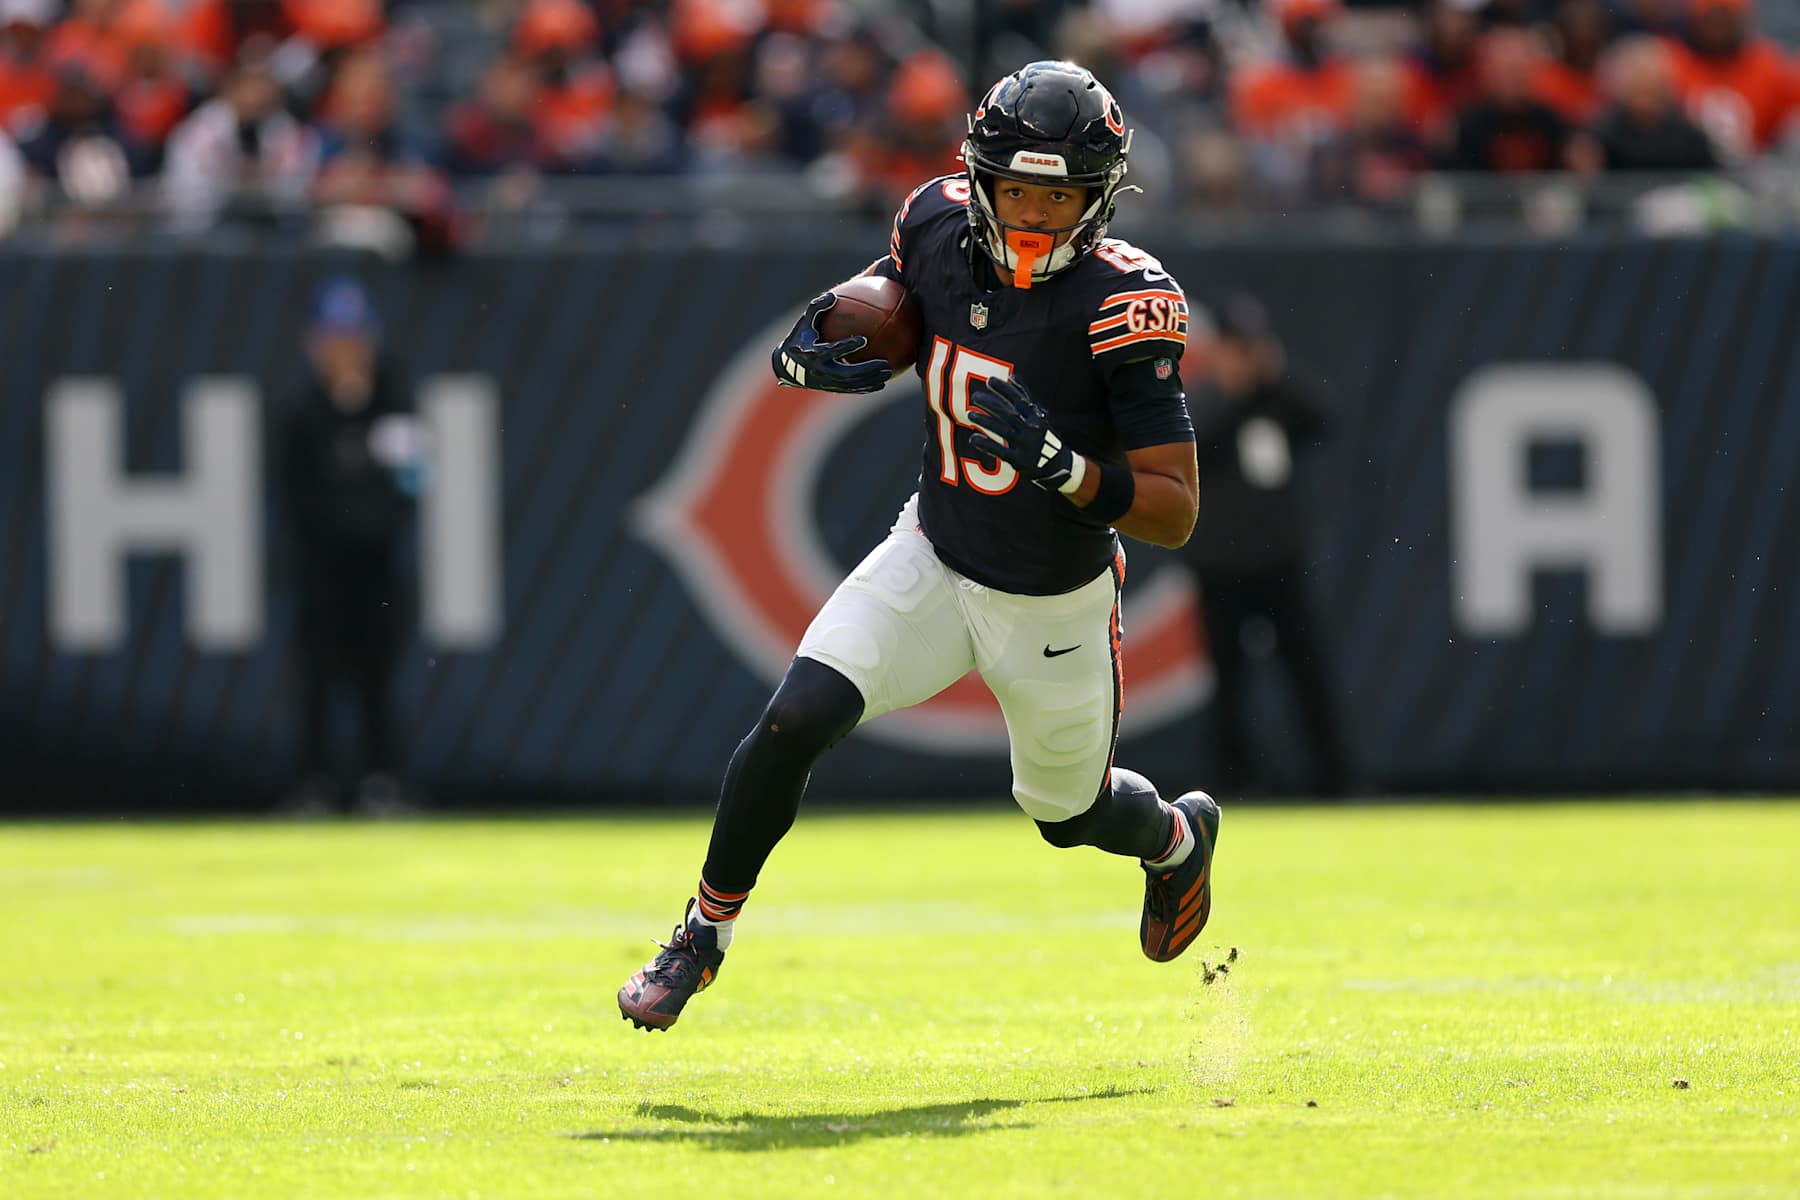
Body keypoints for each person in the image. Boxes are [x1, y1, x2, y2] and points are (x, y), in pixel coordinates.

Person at [619, 60, 1220, 1033]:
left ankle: (1177, 839)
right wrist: (816, 339)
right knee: (796, 714)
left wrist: (1064, 467)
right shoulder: (935, 223)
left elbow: (1175, 507)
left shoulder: (1124, 301)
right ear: (980, 180)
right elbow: (890, 303)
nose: (1031, 215)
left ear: (1098, 198)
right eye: (1016, 189)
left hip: (1052, 597)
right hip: (935, 553)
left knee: (1068, 816)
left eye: (1056, 195)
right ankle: (702, 931)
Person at [1183, 294, 1348, 798]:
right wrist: (1237, 394)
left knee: (1306, 673)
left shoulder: (1278, 399)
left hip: (1279, 562)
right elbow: (1195, 441)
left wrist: (1275, 377)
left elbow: (1324, 416)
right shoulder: (1205, 400)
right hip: (1220, 566)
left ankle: (1334, 778)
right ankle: (1233, 783)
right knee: (1229, 682)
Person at [279, 277, 423, 817]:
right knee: (317, 677)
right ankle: (315, 785)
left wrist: (368, 529)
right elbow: (296, 498)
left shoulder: (393, 403)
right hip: (322, 572)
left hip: (376, 569)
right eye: (334, 337)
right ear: (315, 343)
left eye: (353, 337)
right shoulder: (300, 413)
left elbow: (409, 485)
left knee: (378, 676)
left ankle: (382, 782)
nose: (344, 350)